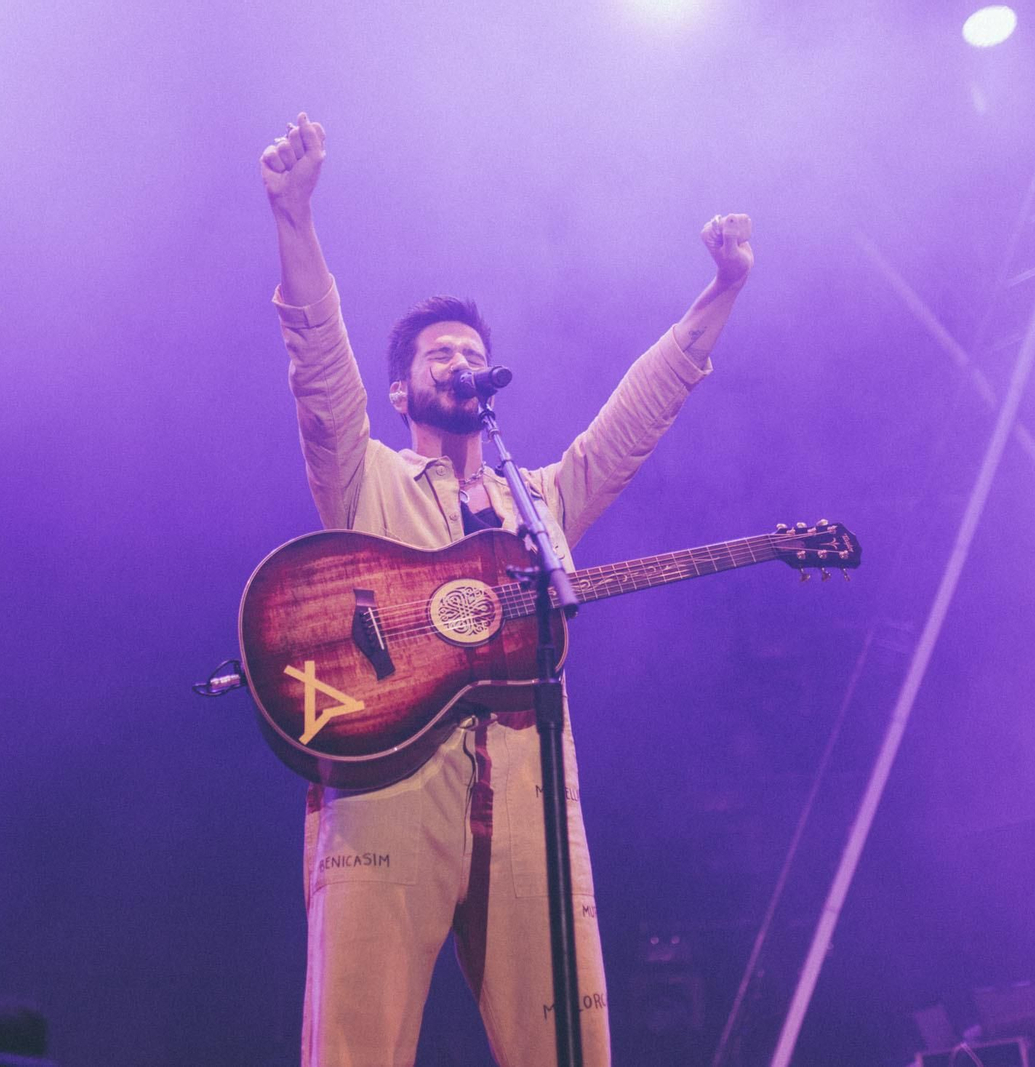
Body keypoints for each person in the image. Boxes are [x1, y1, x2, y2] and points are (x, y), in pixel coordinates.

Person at [259, 112, 753, 1066]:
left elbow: (634, 417)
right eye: (436, 354)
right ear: (401, 392)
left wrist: (721, 291)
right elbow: (319, 374)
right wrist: (295, 218)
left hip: (530, 781)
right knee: (356, 1046)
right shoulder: (366, 481)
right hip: (387, 777)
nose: (459, 362)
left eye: (469, 352)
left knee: (570, 1045)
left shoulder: (541, 502)